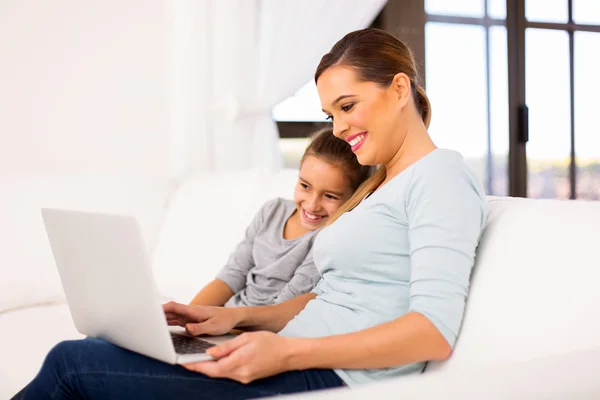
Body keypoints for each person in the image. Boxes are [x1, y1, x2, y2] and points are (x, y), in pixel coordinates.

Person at [16, 28, 487, 400]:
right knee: (102, 350)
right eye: (330, 116)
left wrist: (288, 354)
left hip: (333, 380)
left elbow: (432, 331)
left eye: (347, 106)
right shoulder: (377, 185)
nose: (340, 128)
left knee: (71, 364)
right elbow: (328, 299)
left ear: (399, 88)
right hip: (297, 359)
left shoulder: (440, 175)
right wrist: (235, 319)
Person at [187, 127, 373, 310]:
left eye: (330, 196)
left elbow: (282, 309)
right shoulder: (272, 211)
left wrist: (228, 324)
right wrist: (188, 316)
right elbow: (231, 276)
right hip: (228, 318)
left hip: (261, 328)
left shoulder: (328, 238)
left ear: (354, 196)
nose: (312, 205)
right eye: (305, 186)